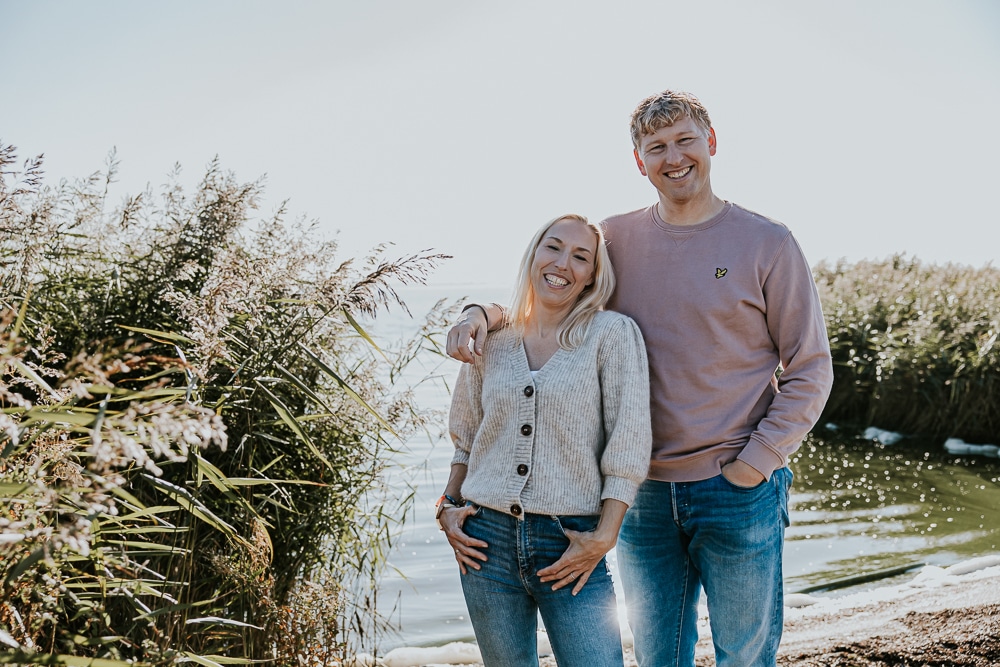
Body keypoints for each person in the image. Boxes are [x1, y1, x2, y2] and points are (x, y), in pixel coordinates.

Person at [445, 90, 834, 667]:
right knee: (657, 656)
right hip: (640, 495)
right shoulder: (614, 240)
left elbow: (809, 367)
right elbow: (550, 301)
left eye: (685, 141)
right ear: (639, 161)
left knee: (746, 654)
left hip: (735, 488)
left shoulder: (767, 243)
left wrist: (758, 461)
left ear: (712, 144)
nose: (673, 157)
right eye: (657, 147)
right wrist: (482, 315)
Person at [437, 213, 652, 667]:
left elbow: (628, 444)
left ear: (594, 274)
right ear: (533, 254)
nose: (562, 263)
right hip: (484, 541)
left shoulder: (611, 335)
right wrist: (447, 507)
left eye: (580, 257)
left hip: (570, 541)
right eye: (553, 247)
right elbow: (467, 439)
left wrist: (606, 535)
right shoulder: (491, 338)